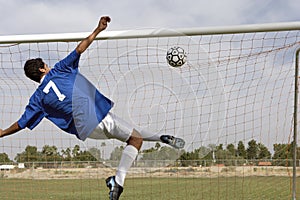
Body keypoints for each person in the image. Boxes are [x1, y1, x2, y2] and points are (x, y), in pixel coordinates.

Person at [0, 16, 185, 200]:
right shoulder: (59, 70)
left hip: (86, 130)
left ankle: (160, 138)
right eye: (45, 65)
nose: (48, 67)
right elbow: (80, 49)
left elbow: (21, 124)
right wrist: (97, 30)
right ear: (42, 69)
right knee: (135, 140)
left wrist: (2, 133)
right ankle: (118, 181)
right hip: (96, 115)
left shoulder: (37, 99)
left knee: (133, 135)